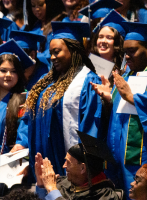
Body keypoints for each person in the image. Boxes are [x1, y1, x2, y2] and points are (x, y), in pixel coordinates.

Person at [12, 22, 102, 178]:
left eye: (57, 52)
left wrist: (82, 162)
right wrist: (22, 142)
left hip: (70, 165)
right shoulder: (45, 81)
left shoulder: (87, 82)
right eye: (51, 53)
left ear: (74, 51)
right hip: (44, 165)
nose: (52, 57)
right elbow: (29, 116)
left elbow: (91, 127)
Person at [91, 21, 147, 198]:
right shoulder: (125, 75)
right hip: (115, 156)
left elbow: (133, 101)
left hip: (138, 157)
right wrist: (109, 98)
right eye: (125, 52)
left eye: (133, 51)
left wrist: (131, 97)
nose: (127, 57)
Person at [34, 131, 121, 200]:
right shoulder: (64, 183)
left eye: (67, 162)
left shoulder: (105, 196)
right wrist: (42, 186)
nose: (64, 166)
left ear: (82, 168)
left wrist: (51, 189)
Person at [0, 40, 32, 153]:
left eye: (13, 71)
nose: (8, 75)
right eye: (3, 70)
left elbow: (25, 126)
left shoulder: (24, 99)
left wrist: (21, 144)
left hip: (9, 160)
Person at [89, 11, 127, 80]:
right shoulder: (87, 66)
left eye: (109, 37)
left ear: (117, 42)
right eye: (100, 37)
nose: (103, 41)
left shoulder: (124, 70)